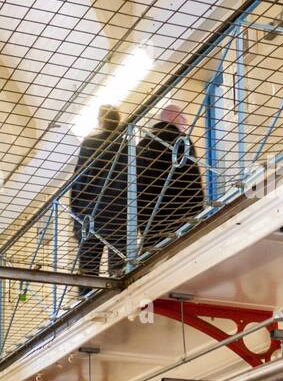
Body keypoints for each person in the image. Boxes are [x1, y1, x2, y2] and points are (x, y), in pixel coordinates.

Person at [136, 104, 205, 248]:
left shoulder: (140, 146)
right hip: (179, 214)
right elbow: (191, 177)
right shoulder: (180, 140)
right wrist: (199, 210)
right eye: (182, 117)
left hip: (150, 220)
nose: (185, 122)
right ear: (170, 117)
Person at [70, 106, 127, 278]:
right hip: (118, 212)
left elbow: (80, 178)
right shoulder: (126, 146)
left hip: (91, 213)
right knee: (118, 268)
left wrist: (75, 211)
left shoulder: (90, 143)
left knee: (89, 268)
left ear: (100, 120)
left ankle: (86, 295)